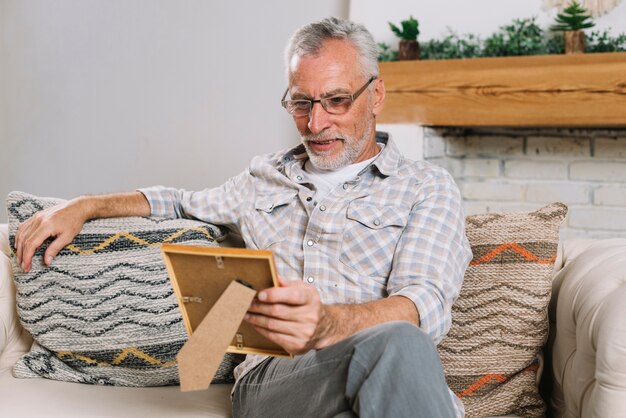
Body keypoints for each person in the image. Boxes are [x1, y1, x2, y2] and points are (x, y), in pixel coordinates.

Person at [15, 17, 472, 418]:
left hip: (384, 369)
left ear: (376, 96)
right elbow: (175, 201)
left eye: (335, 101)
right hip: (277, 382)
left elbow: (423, 305)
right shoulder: (262, 179)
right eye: (301, 103)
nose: (315, 124)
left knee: (396, 347)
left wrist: (328, 323)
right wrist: (85, 206)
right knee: (396, 348)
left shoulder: (425, 187)